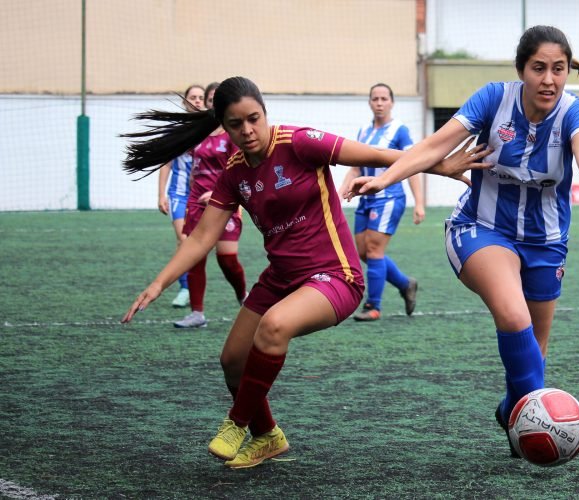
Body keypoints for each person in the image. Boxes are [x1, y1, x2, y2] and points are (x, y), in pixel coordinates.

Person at [120, 76, 489, 469]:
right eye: (235, 124)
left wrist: (440, 165)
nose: (247, 131)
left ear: (264, 112)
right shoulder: (234, 172)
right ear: (223, 126)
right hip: (280, 278)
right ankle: (266, 437)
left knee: (274, 327)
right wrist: (159, 282)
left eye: (253, 118)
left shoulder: (298, 142)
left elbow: (378, 154)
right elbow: (200, 239)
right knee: (232, 360)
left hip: (336, 276)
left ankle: (236, 422)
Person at [345, 26, 579, 459]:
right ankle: (539, 422)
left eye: (558, 69)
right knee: (512, 313)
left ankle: (513, 413)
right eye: (539, 69)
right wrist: (385, 178)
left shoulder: (577, 112)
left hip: (547, 243)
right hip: (480, 228)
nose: (549, 80)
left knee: (534, 353)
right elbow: (433, 146)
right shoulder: (492, 100)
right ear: (521, 70)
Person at [338, 83, 424, 322]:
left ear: (391, 102)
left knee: (375, 250)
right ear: (369, 102)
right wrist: (343, 188)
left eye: (384, 98)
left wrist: (419, 202)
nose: (379, 102)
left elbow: (414, 165)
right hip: (366, 199)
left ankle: (373, 306)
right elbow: (355, 168)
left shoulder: (400, 130)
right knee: (364, 253)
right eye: (375, 98)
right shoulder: (364, 132)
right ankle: (406, 284)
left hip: (389, 198)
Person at [173, 81, 248, 328]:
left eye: (219, 98)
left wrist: (220, 194)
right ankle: (197, 314)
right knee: (194, 257)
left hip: (224, 202)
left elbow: (240, 169)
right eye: (210, 99)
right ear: (206, 104)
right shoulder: (198, 133)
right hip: (197, 203)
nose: (214, 103)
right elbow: (194, 170)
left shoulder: (233, 134)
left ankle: (243, 297)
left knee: (227, 259)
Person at [157, 84, 205, 308]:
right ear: (184, 102)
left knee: (202, 245)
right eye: (193, 97)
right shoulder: (176, 129)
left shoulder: (210, 129)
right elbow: (166, 162)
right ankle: (185, 288)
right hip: (178, 193)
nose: (197, 101)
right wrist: (161, 195)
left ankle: (192, 286)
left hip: (202, 194)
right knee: (184, 239)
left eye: (200, 98)